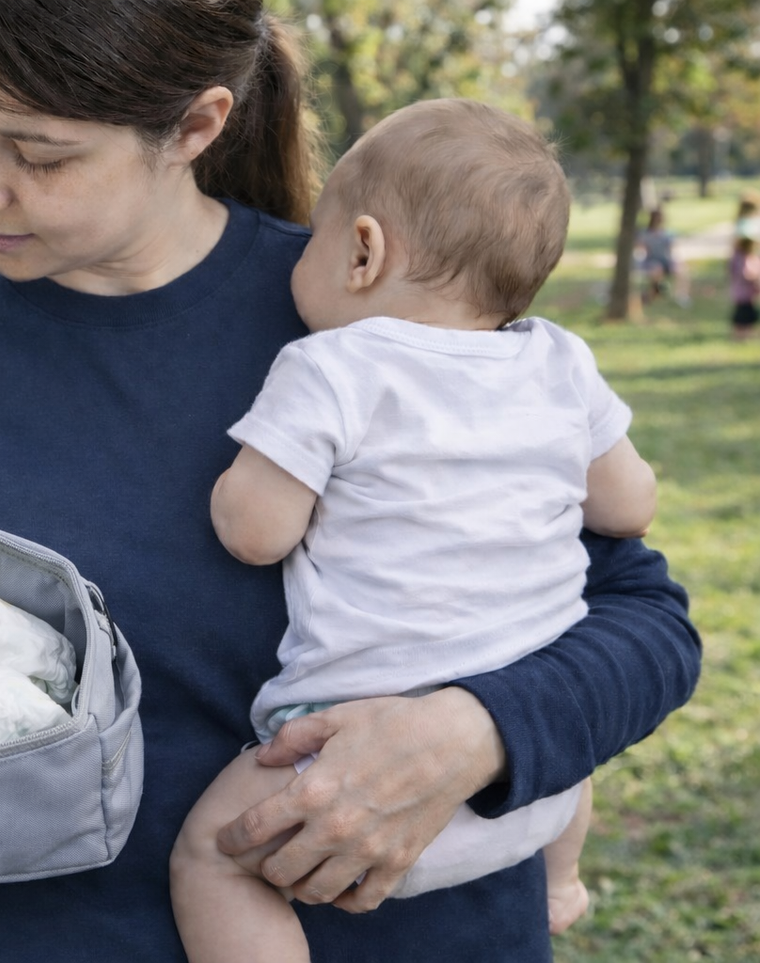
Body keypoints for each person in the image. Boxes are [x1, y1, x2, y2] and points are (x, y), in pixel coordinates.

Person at [0, 3, 701, 960]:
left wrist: (472, 733)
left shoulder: (364, 323)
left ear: (196, 124)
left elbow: (647, 627)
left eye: (38, 154)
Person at [169, 99, 660, 963]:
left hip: (344, 764)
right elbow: (628, 507)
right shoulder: (557, 360)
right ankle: (561, 880)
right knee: (553, 708)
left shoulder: (331, 366)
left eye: (315, 235)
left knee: (213, 855)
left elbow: (254, 533)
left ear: (362, 250)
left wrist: (227, 489)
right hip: (533, 778)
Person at [637, 208, 688, 307]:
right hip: (652, 261)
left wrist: (676, 262)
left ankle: (681, 296)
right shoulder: (646, 234)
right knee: (656, 270)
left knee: (681, 270)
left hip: (666, 261)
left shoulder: (667, 233)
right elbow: (642, 250)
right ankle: (655, 294)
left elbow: (672, 250)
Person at [729, 234, 759, 342]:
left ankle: (746, 336)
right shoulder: (742, 258)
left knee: (749, 315)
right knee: (742, 316)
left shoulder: (745, 257)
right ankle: (740, 337)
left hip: (747, 293)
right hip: (743, 294)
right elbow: (746, 273)